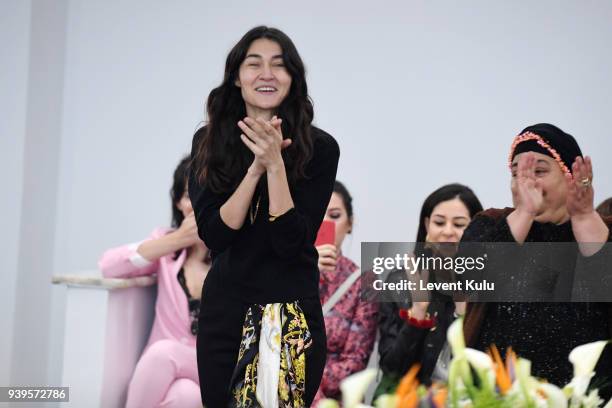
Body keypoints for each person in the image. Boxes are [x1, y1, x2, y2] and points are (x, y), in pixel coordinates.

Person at [188, 26, 340, 407]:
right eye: (254, 64)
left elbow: (291, 242)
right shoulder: (208, 143)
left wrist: (275, 165)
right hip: (225, 312)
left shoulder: (319, 148)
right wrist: (255, 169)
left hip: (288, 315)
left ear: (293, 78)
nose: (266, 74)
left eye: (279, 65)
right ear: (237, 77)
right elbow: (216, 236)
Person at [462, 123, 612, 395]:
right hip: (497, 396)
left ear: (571, 177)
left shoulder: (603, 231)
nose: (525, 182)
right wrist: (524, 213)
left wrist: (584, 219)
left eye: (538, 171)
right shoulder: (489, 224)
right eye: (516, 174)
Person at [98, 156, 210, 408]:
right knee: (186, 396)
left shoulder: (233, 256)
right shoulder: (166, 247)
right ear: (179, 203)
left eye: (207, 194)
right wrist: (176, 240)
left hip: (212, 367)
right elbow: (108, 265)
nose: (198, 204)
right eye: (189, 196)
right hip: (168, 375)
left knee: (162, 352)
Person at [375, 184, 483, 395]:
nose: (448, 232)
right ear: (427, 225)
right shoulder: (400, 282)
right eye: (439, 222)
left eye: (459, 224)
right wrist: (418, 309)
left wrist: (462, 306)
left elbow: (481, 376)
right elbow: (391, 370)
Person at [311, 181, 378, 406]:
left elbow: (355, 360)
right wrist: (307, 272)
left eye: (335, 215)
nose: (325, 222)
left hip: (331, 399)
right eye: (317, 212)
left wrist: (308, 389)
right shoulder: (282, 273)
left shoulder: (364, 283)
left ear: (350, 223)